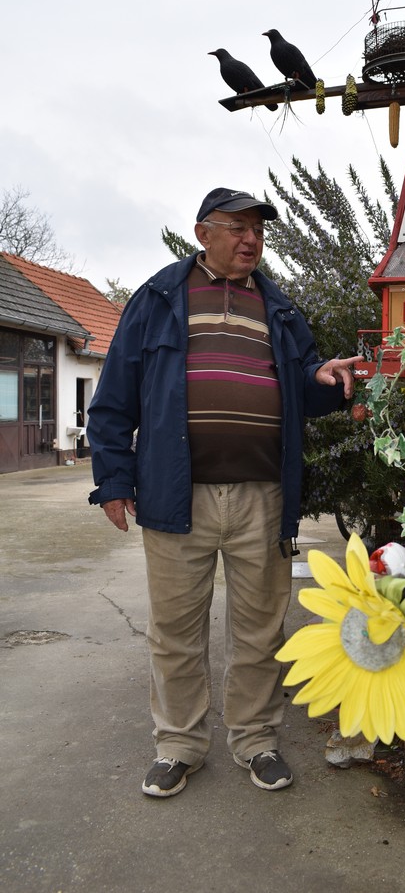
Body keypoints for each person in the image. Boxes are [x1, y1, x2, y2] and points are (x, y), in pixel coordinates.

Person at [88, 187, 361, 797]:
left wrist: (323, 379)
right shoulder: (159, 298)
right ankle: (179, 744)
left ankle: (256, 737)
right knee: (175, 630)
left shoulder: (280, 308)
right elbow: (113, 397)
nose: (250, 239)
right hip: (173, 495)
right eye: (236, 227)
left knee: (261, 628)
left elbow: (304, 388)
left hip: (263, 494)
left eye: (257, 229)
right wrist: (112, 479)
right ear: (201, 233)